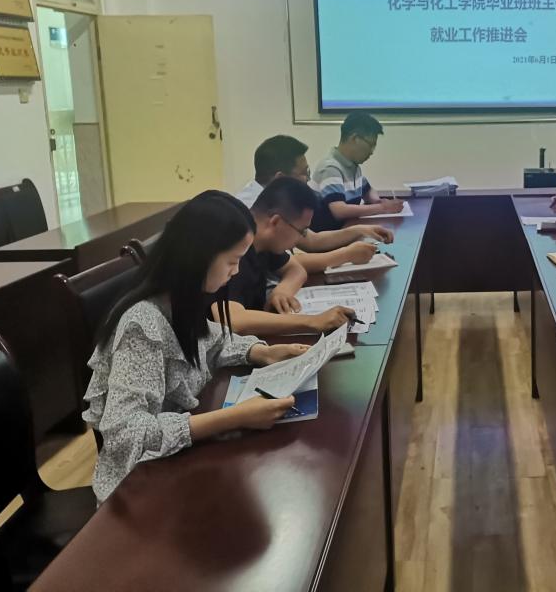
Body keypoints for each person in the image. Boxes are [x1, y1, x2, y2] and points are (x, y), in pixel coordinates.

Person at [83, 191, 311, 502]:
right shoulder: (142, 324)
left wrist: (262, 352)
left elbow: (212, 341)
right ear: (200, 255)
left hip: (176, 460)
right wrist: (235, 417)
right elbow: (126, 433)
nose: (236, 271)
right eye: (232, 261)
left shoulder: (182, 299)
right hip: (138, 490)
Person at [219, 177, 354, 336]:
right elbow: (231, 319)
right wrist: (313, 322)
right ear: (276, 222)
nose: (301, 239)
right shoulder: (232, 247)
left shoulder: (264, 241)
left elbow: (296, 269)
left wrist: (282, 291)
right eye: (301, 231)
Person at [237, 134, 393, 272]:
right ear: (280, 178)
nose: (309, 179)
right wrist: (347, 255)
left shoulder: (275, 199)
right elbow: (288, 264)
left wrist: (359, 230)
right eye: (304, 173)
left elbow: (312, 240)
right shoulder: (251, 212)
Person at [312, 112, 404, 229]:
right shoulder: (330, 168)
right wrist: (383, 208)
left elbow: (368, 190)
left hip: (344, 231)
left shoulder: (353, 165)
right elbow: (339, 211)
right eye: (371, 145)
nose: (372, 151)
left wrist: (377, 201)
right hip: (326, 236)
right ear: (355, 139)